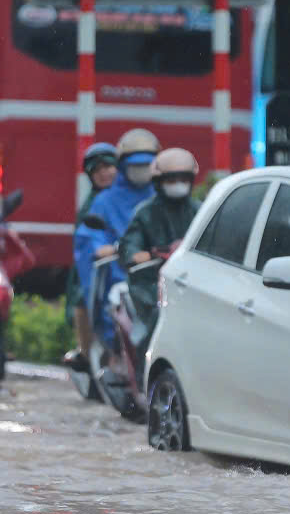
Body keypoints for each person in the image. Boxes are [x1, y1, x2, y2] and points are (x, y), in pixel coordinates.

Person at [72, 128, 161, 343]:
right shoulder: (102, 201)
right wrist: (105, 249)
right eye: (135, 166)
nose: (104, 173)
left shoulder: (162, 196)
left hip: (160, 274)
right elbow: (89, 238)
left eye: (145, 165)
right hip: (120, 275)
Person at [119, 148, 202, 353]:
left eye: (183, 179)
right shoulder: (144, 213)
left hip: (193, 282)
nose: (178, 184)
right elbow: (130, 246)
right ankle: (144, 377)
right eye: (171, 180)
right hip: (149, 284)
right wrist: (140, 255)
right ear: (158, 182)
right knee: (159, 318)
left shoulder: (201, 211)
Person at [62, 142, 119, 372]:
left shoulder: (137, 198)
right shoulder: (90, 208)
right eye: (97, 170)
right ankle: (86, 354)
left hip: (132, 264)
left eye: (108, 167)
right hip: (99, 266)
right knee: (82, 300)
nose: (104, 173)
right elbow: (86, 246)